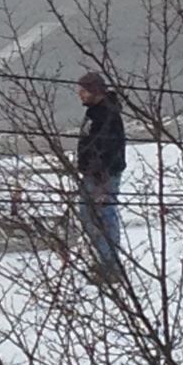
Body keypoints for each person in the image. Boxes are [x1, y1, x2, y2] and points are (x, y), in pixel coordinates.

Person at [75, 69, 126, 269]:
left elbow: (109, 148)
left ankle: (110, 264)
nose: (80, 94)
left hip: (102, 177)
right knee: (89, 216)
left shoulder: (106, 115)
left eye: (84, 90)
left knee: (103, 218)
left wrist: (99, 173)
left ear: (95, 91)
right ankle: (103, 259)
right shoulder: (94, 112)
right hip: (93, 174)